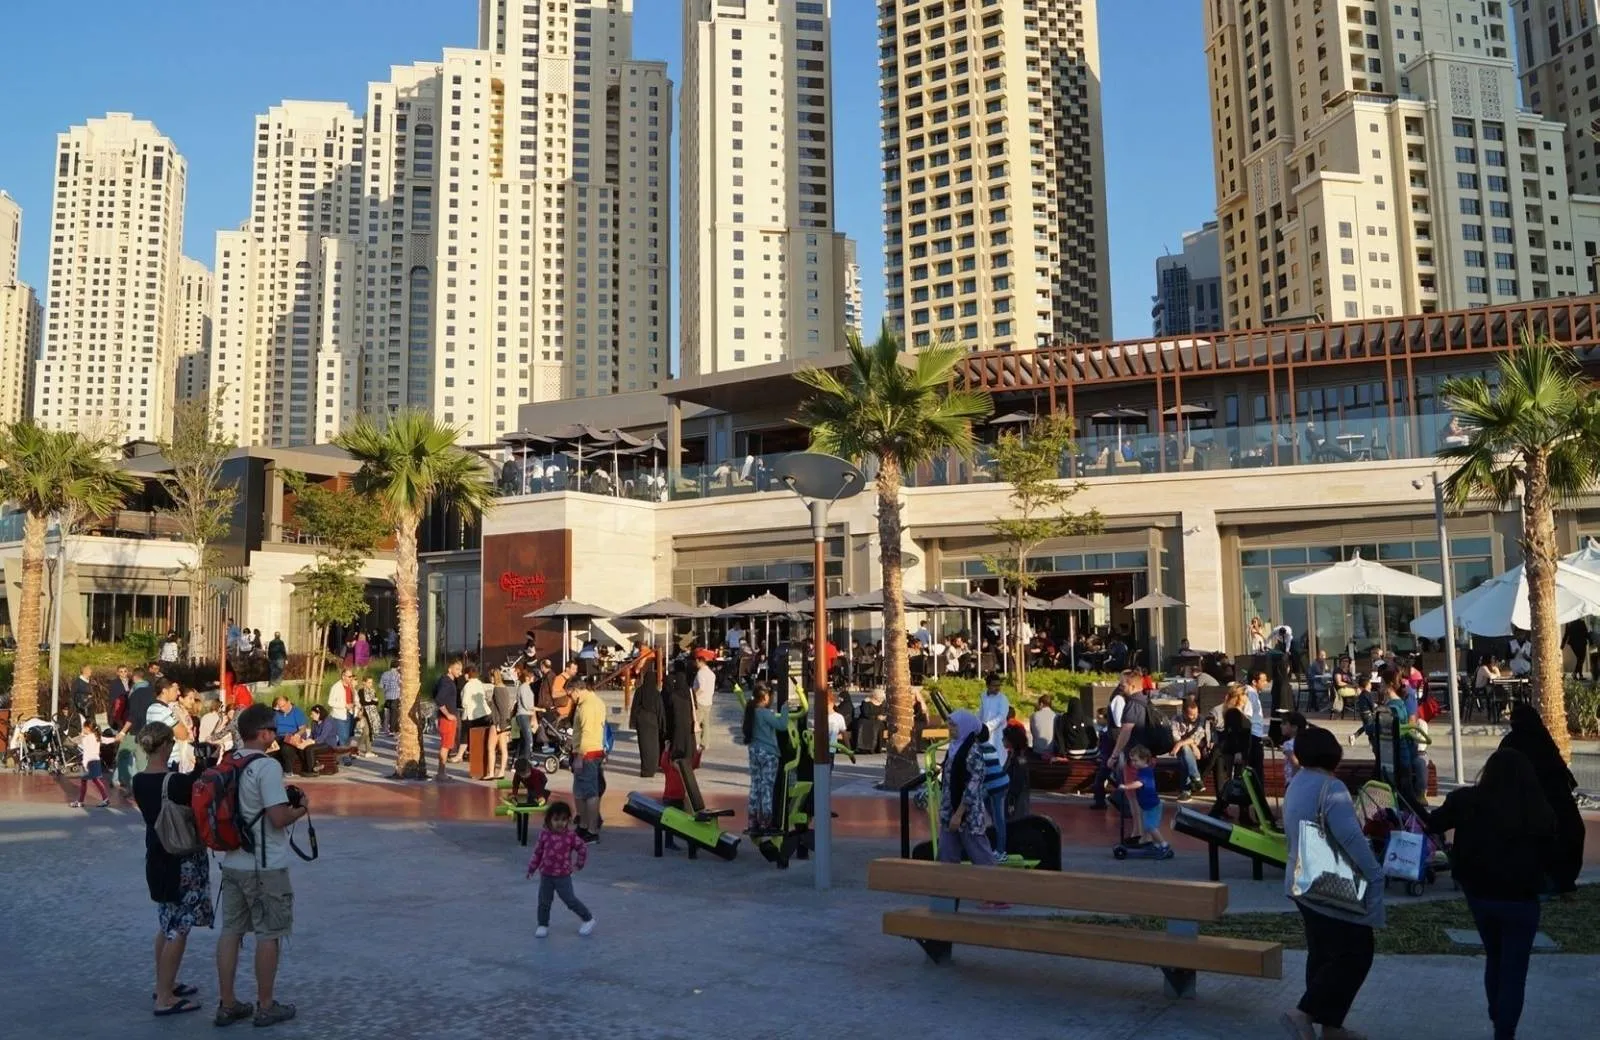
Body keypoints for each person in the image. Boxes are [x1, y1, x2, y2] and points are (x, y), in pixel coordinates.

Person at [1422, 748, 1554, 1040]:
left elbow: (1434, 822)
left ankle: (1498, 1015)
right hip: (1522, 896)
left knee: (1495, 956)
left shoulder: (1467, 800)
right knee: (1515, 967)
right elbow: (1554, 849)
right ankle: (1505, 1029)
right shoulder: (1537, 808)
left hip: (1480, 892)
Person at [1280, 726, 1384, 1040]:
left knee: (1323, 952)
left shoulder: (1297, 782)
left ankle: (1330, 1025)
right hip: (1331, 883)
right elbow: (1350, 838)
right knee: (1356, 953)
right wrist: (1375, 872)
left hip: (1303, 881)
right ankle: (1304, 1012)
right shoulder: (1332, 788)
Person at [213, 703, 309, 1029]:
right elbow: (278, 817)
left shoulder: (230, 761)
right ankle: (265, 1006)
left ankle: (227, 1004)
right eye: (274, 731)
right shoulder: (266, 767)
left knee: (231, 931)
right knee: (269, 934)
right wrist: (301, 810)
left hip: (233, 862)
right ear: (265, 733)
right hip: (265, 865)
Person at [132, 721, 213, 1018]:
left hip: (156, 855)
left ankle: (164, 984)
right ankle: (165, 998)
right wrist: (205, 764)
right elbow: (198, 792)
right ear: (166, 745)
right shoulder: (176, 782)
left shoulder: (139, 780)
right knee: (180, 928)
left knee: (166, 923)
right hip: (183, 860)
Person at [1498, 702, 1586, 895]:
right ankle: (1561, 880)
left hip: (1537, 806)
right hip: (1555, 804)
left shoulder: (1513, 742)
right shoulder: (1542, 739)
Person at [524, 801, 596, 937]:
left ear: (568, 820)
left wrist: (579, 864)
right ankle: (542, 924)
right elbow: (538, 852)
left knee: (570, 900)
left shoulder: (570, 836)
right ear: (549, 820)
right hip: (546, 874)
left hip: (563, 875)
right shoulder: (544, 835)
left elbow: (582, 848)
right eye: (556, 819)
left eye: (563, 819)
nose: (560, 823)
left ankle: (588, 919)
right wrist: (531, 868)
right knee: (544, 901)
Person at [938, 711, 997, 868]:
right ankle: (949, 888)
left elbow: (972, 787)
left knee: (981, 856)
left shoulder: (973, 753)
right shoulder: (953, 748)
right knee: (947, 854)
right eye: (949, 724)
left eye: (954, 725)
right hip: (949, 809)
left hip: (968, 815)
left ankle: (994, 888)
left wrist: (958, 815)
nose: (950, 728)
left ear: (966, 727)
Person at [742, 683, 784, 833]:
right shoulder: (766, 713)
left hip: (754, 751)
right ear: (765, 697)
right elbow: (782, 725)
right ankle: (766, 820)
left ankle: (753, 819)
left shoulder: (750, 712)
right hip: (769, 753)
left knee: (755, 785)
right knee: (767, 786)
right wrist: (785, 710)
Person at [569, 681, 607, 842]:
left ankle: (590, 830)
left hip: (586, 754)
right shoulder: (597, 702)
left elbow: (587, 732)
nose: (570, 698)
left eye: (570, 694)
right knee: (582, 791)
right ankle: (585, 826)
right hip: (595, 751)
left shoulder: (586, 707)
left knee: (589, 793)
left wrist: (579, 756)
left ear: (577, 690)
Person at [1121, 745, 1170, 855]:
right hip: (1148, 806)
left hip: (1152, 806)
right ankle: (1156, 844)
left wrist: (1126, 786)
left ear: (1144, 759)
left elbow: (1139, 783)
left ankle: (1164, 844)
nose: (1133, 763)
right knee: (1148, 826)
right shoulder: (1142, 770)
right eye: (1132, 761)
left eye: (1135, 761)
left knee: (1150, 826)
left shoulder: (1145, 771)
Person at [1169, 694, 1210, 801]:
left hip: (1200, 749)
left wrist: (1182, 744)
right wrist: (1188, 744)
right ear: (1183, 713)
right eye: (1191, 715)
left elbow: (1197, 736)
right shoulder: (1176, 719)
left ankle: (1186, 790)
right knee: (1185, 751)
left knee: (1184, 752)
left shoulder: (1201, 719)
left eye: (1195, 714)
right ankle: (1196, 778)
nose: (1194, 717)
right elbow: (1176, 738)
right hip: (1184, 750)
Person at [69, 718, 114, 808]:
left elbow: (86, 752)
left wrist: (84, 764)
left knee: (87, 781)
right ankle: (104, 799)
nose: (82, 729)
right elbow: (106, 740)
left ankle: (82, 801)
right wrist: (115, 738)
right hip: (96, 761)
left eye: (84, 727)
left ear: (88, 728)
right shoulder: (96, 736)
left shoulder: (87, 738)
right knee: (95, 780)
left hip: (88, 762)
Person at [628, 669, 664, 778]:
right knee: (653, 746)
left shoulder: (639, 691)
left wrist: (633, 722)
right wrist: (662, 723)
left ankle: (645, 770)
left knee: (644, 746)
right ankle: (652, 768)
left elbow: (634, 707)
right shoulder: (656, 693)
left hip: (642, 720)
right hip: (653, 721)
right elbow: (660, 709)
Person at [432, 659, 462, 781]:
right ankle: (441, 773)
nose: (459, 672)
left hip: (446, 717)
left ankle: (442, 772)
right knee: (445, 746)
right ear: (450, 669)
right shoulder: (447, 682)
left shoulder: (443, 680)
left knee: (446, 745)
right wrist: (448, 714)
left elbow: (434, 694)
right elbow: (439, 699)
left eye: (460, 670)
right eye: (457, 669)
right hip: (447, 719)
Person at [487, 673, 513, 780]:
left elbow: (501, 709)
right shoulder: (505, 689)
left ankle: (491, 773)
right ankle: (501, 772)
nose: (490, 679)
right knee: (503, 749)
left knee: (491, 748)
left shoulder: (497, 689)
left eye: (491, 677)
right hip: (505, 722)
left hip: (497, 722)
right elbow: (507, 708)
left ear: (494, 677)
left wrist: (500, 725)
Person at [692, 650, 717, 750]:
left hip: (700, 701)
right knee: (706, 723)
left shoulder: (701, 673)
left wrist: (694, 696)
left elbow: (701, 688)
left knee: (697, 722)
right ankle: (705, 743)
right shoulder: (711, 674)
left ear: (699, 661)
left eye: (696, 661)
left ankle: (696, 742)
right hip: (708, 700)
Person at [326, 669, 356, 749]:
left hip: (350, 713)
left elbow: (354, 699)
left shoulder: (351, 686)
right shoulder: (336, 687)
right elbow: (330, 702)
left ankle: (343, 753)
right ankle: (346, 758)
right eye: (349, 676)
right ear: (343, 676)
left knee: (348, 736)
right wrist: (344, 705)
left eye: (352, 676)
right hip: (339, 715)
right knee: (343, 737)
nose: (351, 678)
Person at [355, 677, 381, 759]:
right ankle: (357, 749)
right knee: (366, 732)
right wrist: (372, 701)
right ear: (364, 682)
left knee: (369, 732)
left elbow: (376, 702)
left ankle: (366, 750)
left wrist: (371, 701)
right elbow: (363, 702)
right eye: (369, 682)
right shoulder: (361, 691)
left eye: (371, 682)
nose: (370, 684)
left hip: (373, 715)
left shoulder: (373, 691)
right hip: (364, 714)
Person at [1281, 710, 1306, 787]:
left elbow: (1295, 763)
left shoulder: (1288, 744)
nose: (1281, 726)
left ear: (1294, 727)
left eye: (1284, 724)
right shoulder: (1305, 741)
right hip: (1304, 779)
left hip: (1292, 781)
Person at [379, 659, 402, 735]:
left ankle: (386, 728)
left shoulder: (384, 674)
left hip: (387, 697)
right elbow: (401, 685)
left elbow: (381, 686)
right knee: (394, 714)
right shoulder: (398, 675)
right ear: (398, 667)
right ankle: (392, 730)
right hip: (396, 696)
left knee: (387, 714)